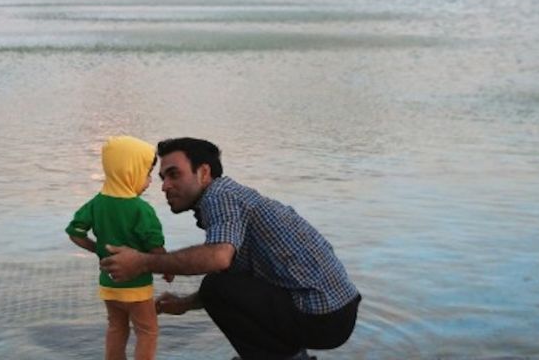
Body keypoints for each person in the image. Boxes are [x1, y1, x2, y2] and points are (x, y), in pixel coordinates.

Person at [100, 138, 361, 360]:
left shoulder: (219, 196)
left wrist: (142, 262)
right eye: (162, 177)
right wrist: (185, 304)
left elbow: (218, 258)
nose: (165, 186)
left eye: (174, 174)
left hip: (322, 313)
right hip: (334, 311)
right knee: (219, 285)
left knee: (216, 287)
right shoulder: (229, 198)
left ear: (203, 173)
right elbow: (231, 272)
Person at [67, 136, 169, 360]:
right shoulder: (141, 210)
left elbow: (75, 232)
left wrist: (98, 250)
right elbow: (155, 246)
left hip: (109, 285)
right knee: (147, 331)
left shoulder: (96, 203)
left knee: (116, 328)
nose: (150, 181)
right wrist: (168, 269)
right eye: (147, 174)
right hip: (138, 288)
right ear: (130, 172)